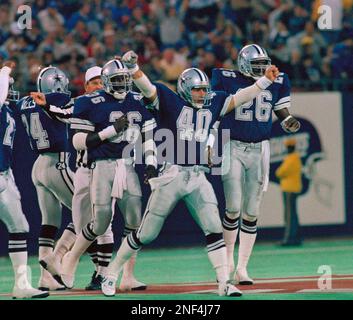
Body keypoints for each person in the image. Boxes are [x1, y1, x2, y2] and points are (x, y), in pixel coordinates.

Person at [101, 50, 279, 298]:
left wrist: (265, 81)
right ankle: (110, 274)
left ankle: (224, 282)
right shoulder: (170, 102)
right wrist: (133, 69)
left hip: (197, 176)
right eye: (196, 90)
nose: (202, 94)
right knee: (146, 234)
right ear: (185, 88)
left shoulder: (214, 103)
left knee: (214, 227)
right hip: (171, 175)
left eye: (204, 90)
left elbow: (241, 97)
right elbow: (148, 87)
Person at [44, 58, 157, 290]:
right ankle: (69, 260)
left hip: (126, 165)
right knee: (96, 223)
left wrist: (151, 164)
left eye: (126, 80)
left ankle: (123, 276)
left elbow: (149, 135)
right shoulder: (89, 102)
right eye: (117, 80)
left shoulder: (136, 101)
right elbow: (77, 141)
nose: (123, 85)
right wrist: (111, 131)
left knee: (134, 222)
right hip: (96, 167)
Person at [211, 43, 301, 285]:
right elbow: (221, 106)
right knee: (233, 207)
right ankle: (228, 261)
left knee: (251, 211)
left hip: (259, 147)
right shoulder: (225, 77)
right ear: (242, 63)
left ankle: (242, 267)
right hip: (232, 145)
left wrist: (288, 120)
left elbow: (281, 109)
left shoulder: (279, 79)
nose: (262, 69)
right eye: (256, 65)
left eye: (264, 65)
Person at [17, 66, 76, 291]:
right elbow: (70, 111)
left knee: (49, 223)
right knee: (87, 214)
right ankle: (56, 259)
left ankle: (45, 278)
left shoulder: (24, 102)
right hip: (57, 163)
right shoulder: (58, 99)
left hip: (38, 165)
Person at [0, 61, 48, 299]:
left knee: (19, 227)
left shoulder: (7, 110)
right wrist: (5, 70)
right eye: (7, 87)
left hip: (4, 176)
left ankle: (21, 285)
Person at [275, 138, 303, 246]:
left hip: (289, 189)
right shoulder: (295, 158)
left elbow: (280, 172)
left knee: (289, 215)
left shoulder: (291, 158)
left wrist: (280, 173)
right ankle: (296, 237)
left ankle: (289, 238)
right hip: (293, 188)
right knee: (293, 214)